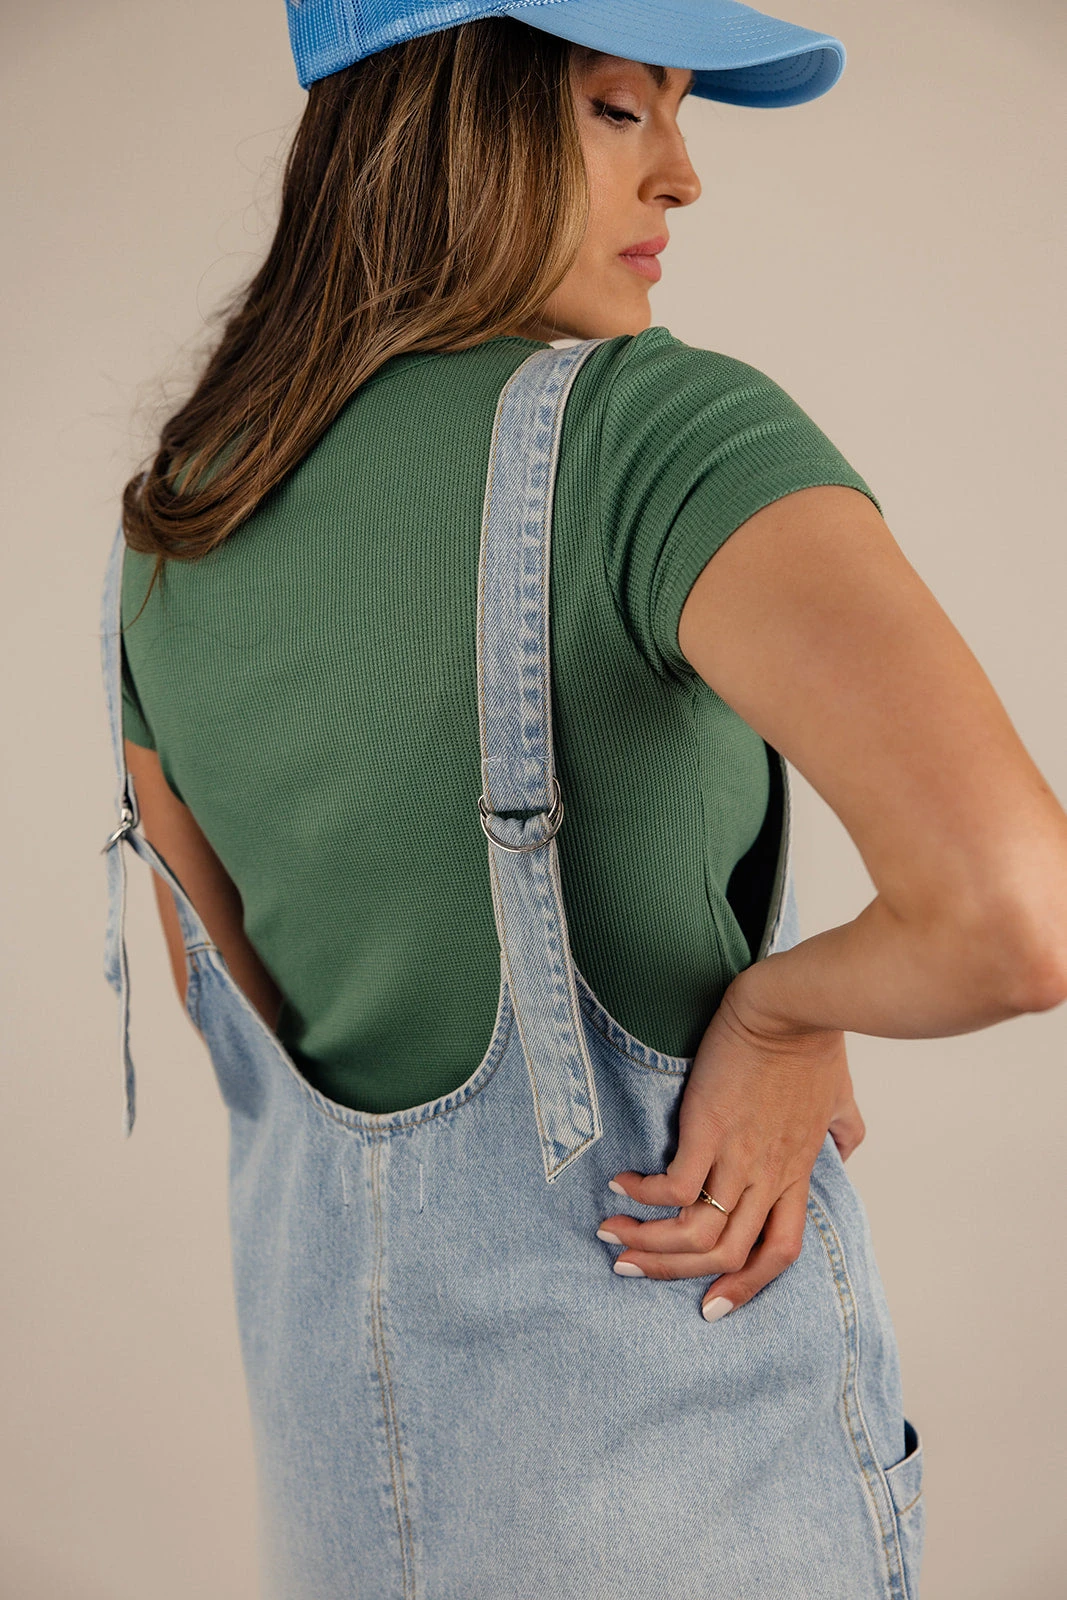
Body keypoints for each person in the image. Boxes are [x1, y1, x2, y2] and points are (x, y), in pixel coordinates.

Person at [99, 3, 1067, 1595]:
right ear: (444, 122)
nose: (682, 174)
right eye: (620, 108)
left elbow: (238, 1020)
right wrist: (780, 1015)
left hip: (342, 1506)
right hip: (683, 1491)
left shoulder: (177, 523)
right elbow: (1015, 916)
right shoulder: (649, 435)